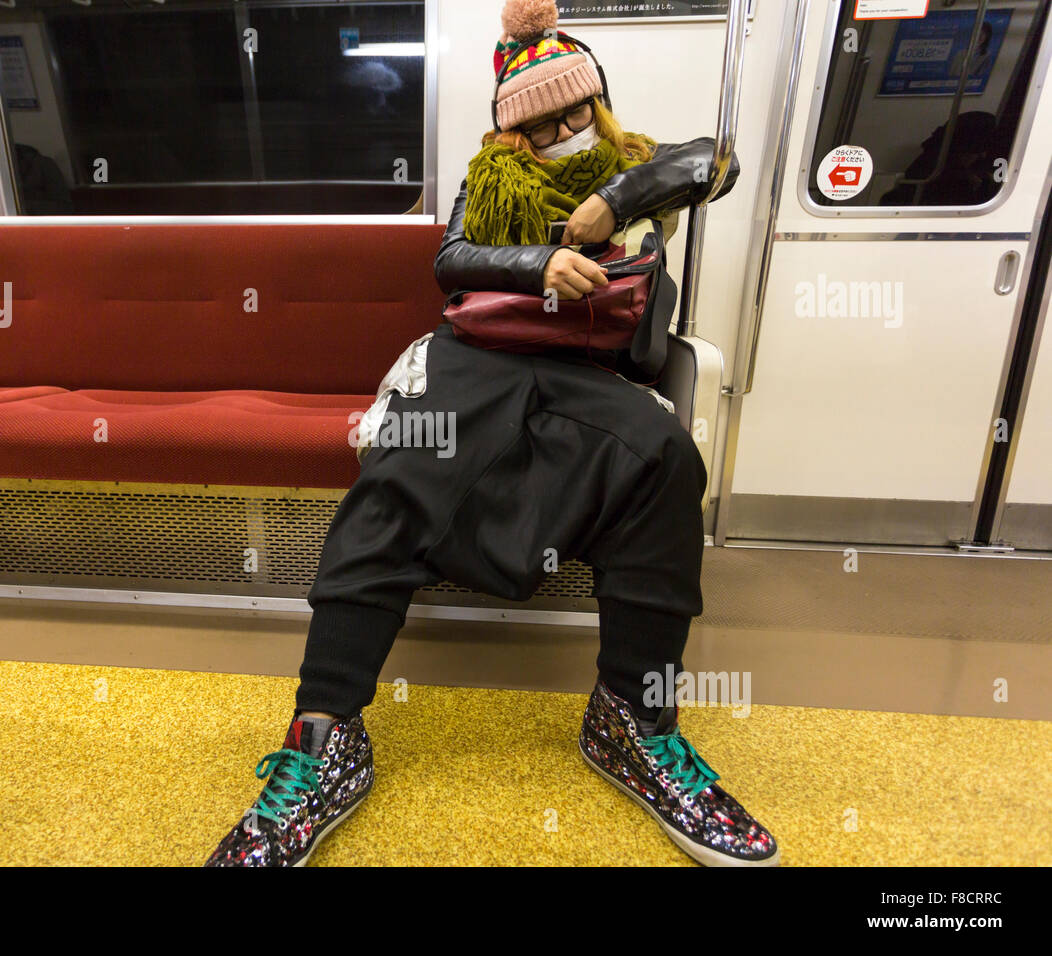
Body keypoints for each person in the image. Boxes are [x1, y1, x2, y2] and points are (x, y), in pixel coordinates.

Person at [205, 0, 778, 867]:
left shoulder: (639, 163)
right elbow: (452, 259)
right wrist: (538, 261)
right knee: (403, 468)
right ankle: (324, 735)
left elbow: (720, 163)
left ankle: (633, 717)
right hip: (481, 355)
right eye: (541, 122)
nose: (561, 129)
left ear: (599, 102)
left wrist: (612, 200)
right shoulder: (490, 177)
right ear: (513, 129)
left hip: (588, 370)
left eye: (574, 111)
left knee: (664, 458)